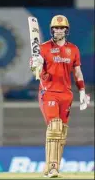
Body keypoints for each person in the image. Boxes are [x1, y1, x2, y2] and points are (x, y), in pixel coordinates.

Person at [29, 15, 90, 178]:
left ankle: (51, 167)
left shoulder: (74, 49)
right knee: (54, 127)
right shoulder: (43, 48)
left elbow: (77, 72)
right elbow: (36, 66)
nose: (58, 30)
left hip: (66, 94)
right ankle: (53, 168)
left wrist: (83, 92)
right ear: (51, 29)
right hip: (48, 92)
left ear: (66, 30)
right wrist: (34, 65)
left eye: (62, 28)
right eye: (56, 28)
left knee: (61, 133)